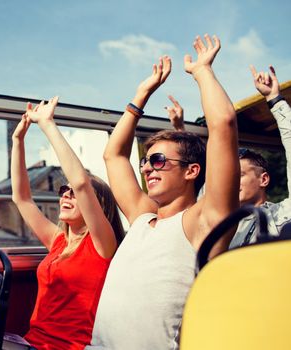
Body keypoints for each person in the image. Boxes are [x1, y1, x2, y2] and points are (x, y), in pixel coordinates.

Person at [89, 34, 239, 350]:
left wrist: (202, 72)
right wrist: (140, 96)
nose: (146, 169)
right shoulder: (142, 216)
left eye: (158, 160)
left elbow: (223, 125)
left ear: (192, 171)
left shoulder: (203, 221)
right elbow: (113, 156)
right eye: (145, 161)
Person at [11, 97, 124, 349]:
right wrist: (17, 141)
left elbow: (82, 182)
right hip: (33, 342)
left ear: (97, 205)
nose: (66, 195)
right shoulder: (59, 241)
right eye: (64, 190)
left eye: (74, 193)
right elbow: (21, 199)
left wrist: (48, 124)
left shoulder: (101, 244)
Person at [229, 65, 291, 248]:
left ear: (263, 179)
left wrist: (274, 99)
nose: (231, 182)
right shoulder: (222, 225)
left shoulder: (284, 213)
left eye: (240, 175)